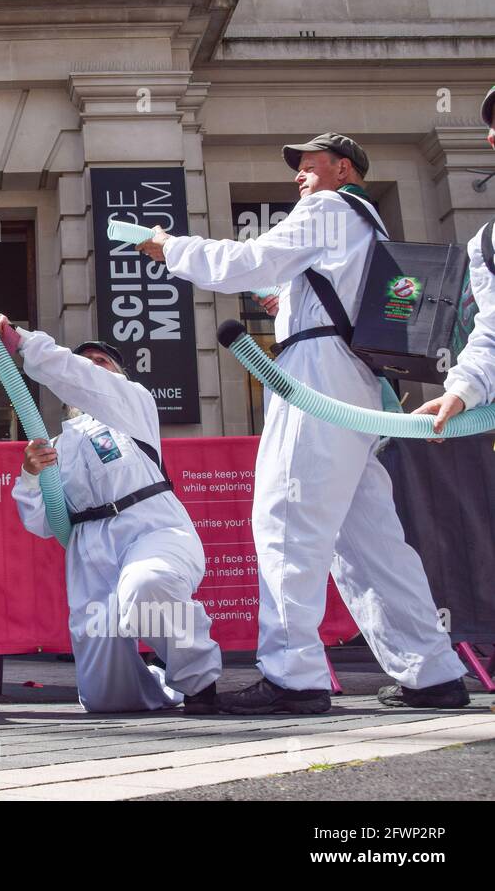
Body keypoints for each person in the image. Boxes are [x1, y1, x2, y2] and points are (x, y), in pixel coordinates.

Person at [137, 132, 470, 713]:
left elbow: (247, 261)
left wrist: (171, 248)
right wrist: (288, 302)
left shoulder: (326, 207)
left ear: (343, 168)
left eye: (310, 166)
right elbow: (326, 291)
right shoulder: (365, 221)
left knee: (287, 517)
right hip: (355, 381)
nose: (299, 177)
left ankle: (294, 675)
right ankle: (431, 670)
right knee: (369, 540)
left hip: (315, 375)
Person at [0, 312, 223, 713]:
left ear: (117, 377)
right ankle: (158, 686)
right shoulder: (55, 444)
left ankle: (198, 684)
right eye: (84, 362)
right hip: (89, 549)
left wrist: (20, 340)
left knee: (148, 585)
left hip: (151, 528)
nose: (92, 368)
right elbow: (41, 522)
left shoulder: (135, 407)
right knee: (105, 696)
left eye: (102, 363)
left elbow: (82, 377)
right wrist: (29, 473)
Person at [414, 85, 495, 431]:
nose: (491, 136)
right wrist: (461, 392)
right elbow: (491, 335)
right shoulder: (488, 243)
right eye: (491, 127)